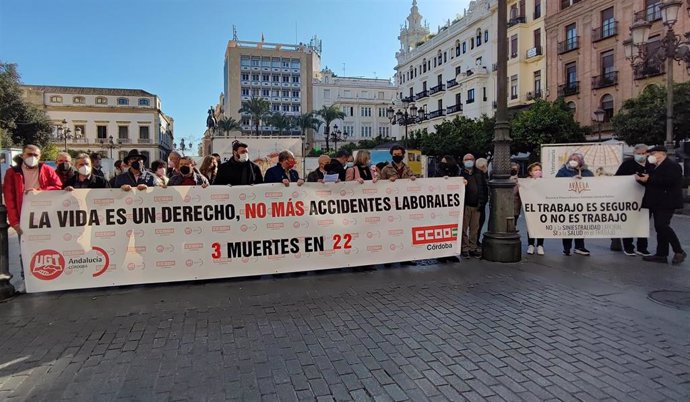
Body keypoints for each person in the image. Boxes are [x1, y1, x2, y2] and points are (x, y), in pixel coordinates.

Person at [636, 145, 686, 265]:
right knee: (659, 228)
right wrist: (641, 180)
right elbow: (653, 183)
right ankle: (661, 254)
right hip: (657, 201)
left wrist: (649, 179)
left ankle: (679, 251)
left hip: (668, 201)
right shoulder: (654, 166)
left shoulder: (672, 166)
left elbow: (669, 182)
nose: (650, 156)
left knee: (662, 225)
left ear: (661, 154)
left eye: (653, 153)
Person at [3, 144, 62, 236]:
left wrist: (39, 191)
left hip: (46, 215)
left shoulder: (48, 170)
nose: (33, 157)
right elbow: (9, 199)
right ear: (22, 155)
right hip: (24, 216)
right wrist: (14, 222)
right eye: (29, 154)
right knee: (25, 249)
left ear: (40, 156)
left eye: (35, 155)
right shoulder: (12, 172)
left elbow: (58, 186)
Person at [614, 144, 652, 256]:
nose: (641, 156)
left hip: (646, 199)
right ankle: (628, 246)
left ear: (647, 154)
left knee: (643, 223)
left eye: (643, 153)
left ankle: (642, 247)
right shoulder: (627, 164)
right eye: (638, 154)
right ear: (634, 154)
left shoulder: (651, 165)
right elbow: (617, 179)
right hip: (629, 199)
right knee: (629, 222)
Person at [556, 153, 594, 256]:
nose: (573, 160)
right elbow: (556, 185)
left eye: (576, 159)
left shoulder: (587, 172)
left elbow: (594, 185)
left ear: (581, 161)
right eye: (571, 159)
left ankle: (579, 247)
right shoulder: (563, 171)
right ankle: (567, 248)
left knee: (580, 226)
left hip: (582, 204)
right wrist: (571, 180)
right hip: (567, 204)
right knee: (568, 226)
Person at [459, 153, 487, 258]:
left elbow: (484, 189)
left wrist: (482, 202)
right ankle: (465, 248)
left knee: (474, 229)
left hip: (477, 205)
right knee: (464, 229)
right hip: (465, 205)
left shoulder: (479, 173)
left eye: (471, 159)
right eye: (467, 159)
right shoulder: (460, 174)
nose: (469, 161)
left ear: (474, 160)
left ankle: (472, 248)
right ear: (463, 161)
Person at [524, 162, 545, 255]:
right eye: (535, 170)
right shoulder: (526, 182)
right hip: (531, 207)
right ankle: (531, 244)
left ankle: (540, 245)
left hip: (542, 207)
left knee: (541, 225)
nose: (538, 171)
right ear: (530, 172)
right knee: (531, 226)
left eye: (539, 170)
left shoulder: (545, 181)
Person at [475, 157, 489, 246]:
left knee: (478, 224)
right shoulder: (480, 175)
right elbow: (481, 190)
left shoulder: (483, 175)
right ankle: (474, 242)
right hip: (479, 204)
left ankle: (475, 241)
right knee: (477, 224)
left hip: (481, 203)